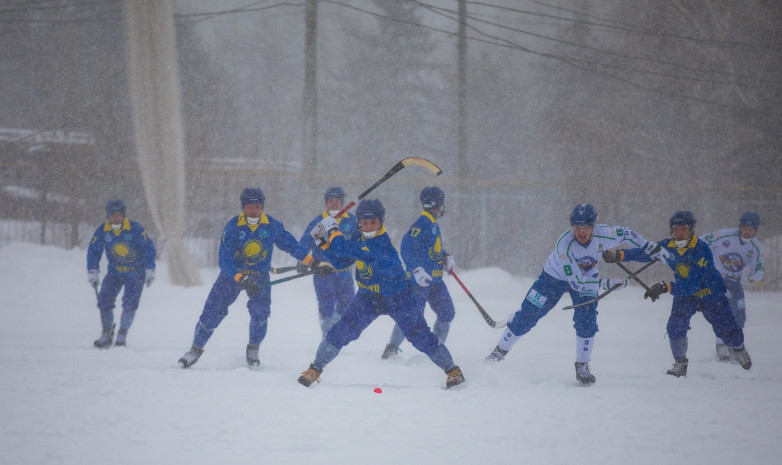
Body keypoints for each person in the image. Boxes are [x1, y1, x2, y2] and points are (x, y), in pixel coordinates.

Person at [485, 203, 666, 385]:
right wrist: (607, 284)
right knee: (529, 315)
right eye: (577, 228)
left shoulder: (605, 234)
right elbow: (577, 283)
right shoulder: (564, 244)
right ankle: (498, 352)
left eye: (585, 228)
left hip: (588, 277)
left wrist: (650, 247)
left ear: (593, 227)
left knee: (586, 320)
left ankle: (582, 365)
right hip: (553, 278)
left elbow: (628, 233)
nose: (581, 233)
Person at [297, 199, 465, 389]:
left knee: (419, 335)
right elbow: (342, 261)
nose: (369, 227)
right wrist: (322, 242)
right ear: (359, 222)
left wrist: (333, 231)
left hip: (398, 296)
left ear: (381, 223)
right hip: (368, 296)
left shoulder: (381, 244)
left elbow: (343, 247)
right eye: (365, 222)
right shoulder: (358, 236)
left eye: (373, 223)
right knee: (341, 331)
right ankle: (315, 369)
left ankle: (453, 371)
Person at [178, 187, 316, 368]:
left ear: (262, 207)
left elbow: (290, 244)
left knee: (261, 314)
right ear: (243, 207)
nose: (254, 211)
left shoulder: (271, 225)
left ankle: (253, 349)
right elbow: (225, 259)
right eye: (250, 207)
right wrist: (240, 277)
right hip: (233, 276)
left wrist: (311, 261)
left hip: (260, 277)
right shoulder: (233, 226)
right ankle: (195, 350)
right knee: (212, 312)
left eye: (258, 207)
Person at [606, 210, 752, 377]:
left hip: (711, 293)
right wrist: (619, 254)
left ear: (691, 230)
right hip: (685, 294)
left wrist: (665, 287)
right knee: (675, 326)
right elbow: (646, 252)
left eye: (684, 229)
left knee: (727, 330)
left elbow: (691, 285)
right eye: (676, 229)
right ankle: (680, 363)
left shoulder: (701, 249)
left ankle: (738, 348)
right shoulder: (668, 246)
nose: (679, 233)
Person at [381, 186, 456, 359]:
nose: (442, 207)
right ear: (435, 204)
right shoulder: (423, 223)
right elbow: (407, 248)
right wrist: (416, 270)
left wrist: (445, 258)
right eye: (441, 203)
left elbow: (432, 250)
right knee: (412, 316)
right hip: (419, 282)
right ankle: (392, 348)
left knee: (447, 312)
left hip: (435, 280)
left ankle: (437, 348)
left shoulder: (432, 223)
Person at [87, 199, 156, 348]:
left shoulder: (135, 229)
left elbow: (148, 248)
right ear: (108, 216)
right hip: (114, 272)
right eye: (113, 216)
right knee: (104, 300)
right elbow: (94, 250)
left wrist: (150, 269)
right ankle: (107, 331)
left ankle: (122, 334)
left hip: (135, 273)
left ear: (123, 215)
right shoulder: (103, 231)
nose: (116, 219)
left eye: (119, 215)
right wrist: (93, 269)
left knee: (130, 304)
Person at [701, 211, 765, 361]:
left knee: (740, 314)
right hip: (717, 280)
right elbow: (700, 243)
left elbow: (758, 270)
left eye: (751, 229)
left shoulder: (756, 248)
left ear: (755, 230)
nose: (747, 232)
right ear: (740, 227)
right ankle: (722, 346)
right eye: (745, 228)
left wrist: (754, 279)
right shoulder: (724, 235)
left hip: (735, 283)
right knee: (724, 311)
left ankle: (735, 347)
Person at [297, 187, 358, 337]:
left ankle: (334, 329)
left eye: (337, 201)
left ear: (342, 203)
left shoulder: (351, 220)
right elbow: (304, 243)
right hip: (323, 272)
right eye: (331, 201)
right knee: (327, 303)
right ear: (326, 203)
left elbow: (360, 242)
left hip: (344, 272)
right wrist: (303, 260)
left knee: (348, 304)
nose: (334, 204)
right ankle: (327, 335)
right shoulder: (318, 222)